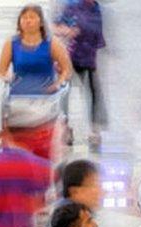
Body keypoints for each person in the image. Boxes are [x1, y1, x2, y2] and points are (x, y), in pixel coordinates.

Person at [54, 0, 106, 147]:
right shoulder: (71, 6)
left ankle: (94, 129)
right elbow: (56, 27)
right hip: (69, 57)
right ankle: (65, 127)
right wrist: (67, 32)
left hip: (89, 58)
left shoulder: (96, 8)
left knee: (93, 92)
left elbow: (98, 36)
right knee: (65, 92)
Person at [0, 4, 71, 96]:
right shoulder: (11, 43)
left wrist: (58, 84)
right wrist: (8, 78)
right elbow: (1, 71)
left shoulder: (52, 43)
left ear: (41, 22)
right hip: (18, 97)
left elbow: (66, 69)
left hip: (46, 97)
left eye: (32, 17)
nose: (28, 21)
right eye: (24, 18)